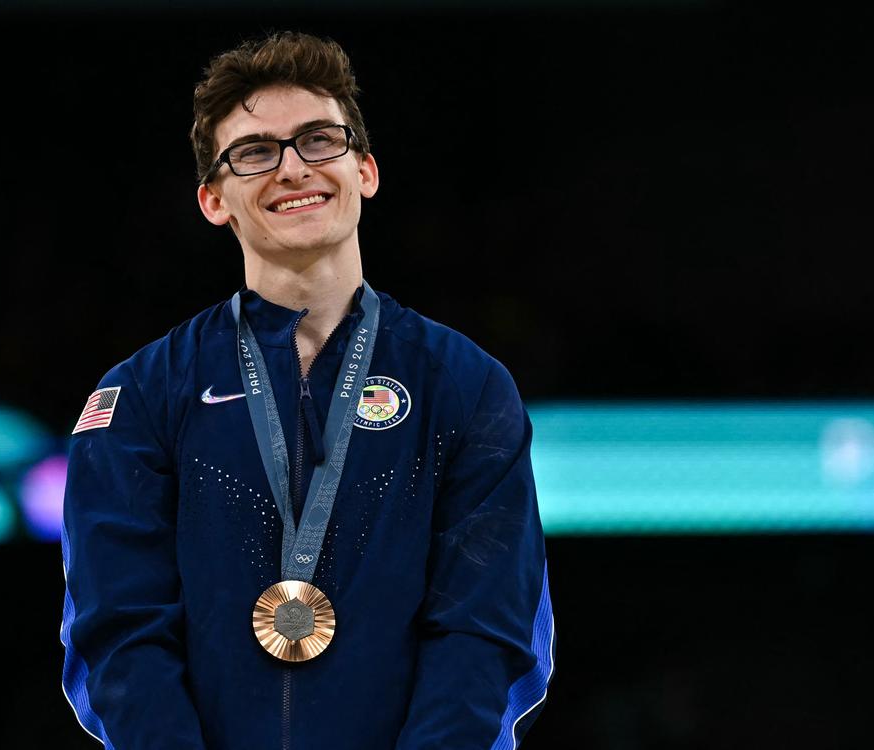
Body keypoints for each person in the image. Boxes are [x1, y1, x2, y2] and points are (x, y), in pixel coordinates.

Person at [60, 30, 554, 750]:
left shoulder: (466, 384)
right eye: (255, 152)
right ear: (212, 200)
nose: (292, 168)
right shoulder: (139, 395)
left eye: (318, 140)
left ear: (366, 170)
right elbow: (118, 632)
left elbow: (487, 627)